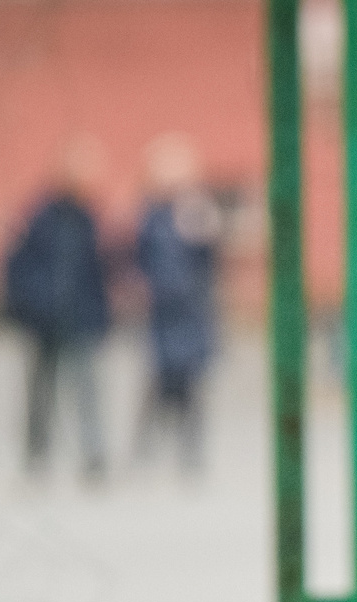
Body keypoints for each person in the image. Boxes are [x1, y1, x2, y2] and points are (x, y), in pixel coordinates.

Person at [2, 139, 112, 479]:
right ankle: (36, 456)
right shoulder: (39, 217)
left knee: (86, 389)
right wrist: (32, 305)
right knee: (41, 393)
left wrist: (101, 316)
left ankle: (93, 454)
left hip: (81, 319)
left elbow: (99, 271)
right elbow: (18, 266)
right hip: (44, 320)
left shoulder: (89, 219)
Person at [131, 135, 224, 473]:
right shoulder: (149, 216)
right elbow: (136, 257)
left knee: (192, 386)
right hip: (162, 311)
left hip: (192, 311)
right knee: (159, 382)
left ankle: (190, 452)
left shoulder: (196, 212)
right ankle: (145, 449)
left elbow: (210, 260)